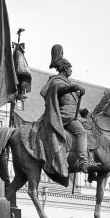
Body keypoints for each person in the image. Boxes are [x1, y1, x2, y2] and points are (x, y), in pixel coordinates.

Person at [38, 45, 101, 179]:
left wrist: (82, 110)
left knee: (90, 133)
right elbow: (55, 90)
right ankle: (83, 163)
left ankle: (91, 170)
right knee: (81, 132)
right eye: (70, 68)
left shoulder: (67, 82)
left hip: (74, 115)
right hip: (64, 115)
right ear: (65, 68)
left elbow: (72, 103)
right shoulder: (56, 81)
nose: (71, 70)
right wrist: (73, 87)